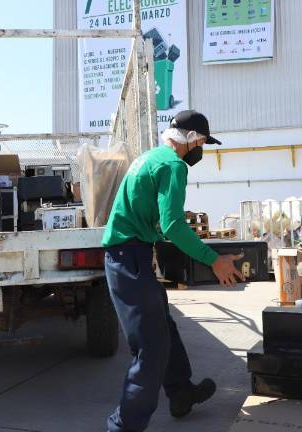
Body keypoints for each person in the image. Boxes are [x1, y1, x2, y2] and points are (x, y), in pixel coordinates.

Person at [101, 110, 245, 432]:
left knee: (165, 327)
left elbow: (158, 221)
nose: (202, 150)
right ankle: (122, 427)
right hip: (129, 260)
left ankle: (181, 392)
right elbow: (174, 225)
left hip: (130, 255)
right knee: (151, 351)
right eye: (203, 142)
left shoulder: (152, 157)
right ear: (192, 138)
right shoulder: (173, 165)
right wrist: (214, 260)